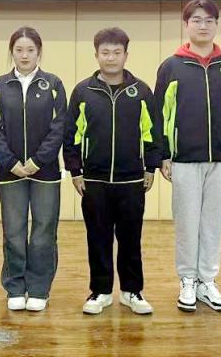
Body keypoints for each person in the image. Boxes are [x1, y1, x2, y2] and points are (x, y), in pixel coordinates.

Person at [155, 0, 221, 313]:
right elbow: (160, 115)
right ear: (186, 25)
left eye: (209, 20)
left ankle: (207, 281)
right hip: (184, 159)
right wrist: (163, 155)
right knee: (187, 223)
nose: (203, 25)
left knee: (213, 223)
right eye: (197, 20)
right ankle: (187, 280)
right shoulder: (172, 66)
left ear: (216, 25)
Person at [64, 27, 162, 316]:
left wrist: (151, 166)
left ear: (126, 55)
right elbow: (72, 135)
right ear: (96, 55)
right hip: (94, 180)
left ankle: (132, 291)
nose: (111, 58)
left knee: (131, 239)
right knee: (98, 238)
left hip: (132, 180)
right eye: (105, 52)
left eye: (116, 52)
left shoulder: (141, 91)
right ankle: (101, 291)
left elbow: (152, 132)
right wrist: (75, 170)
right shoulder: (83, 92)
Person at [0, 26, 67, 312]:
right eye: (19, 50)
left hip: (45, 172)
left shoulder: (53, 84)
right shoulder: (0, 86)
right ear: (12, 52)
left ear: (38, 52)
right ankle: (15, 286)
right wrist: (11, 163)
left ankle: (40, 288)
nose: (24, 55)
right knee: (13, 232)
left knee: (44, 231)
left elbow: (59, 127)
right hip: (10, 173)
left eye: (30, 50)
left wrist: (37, 161)